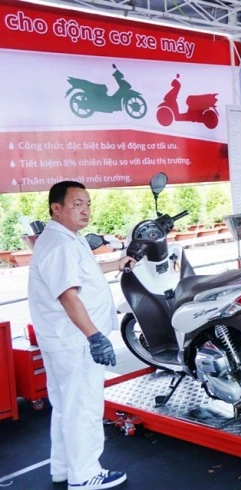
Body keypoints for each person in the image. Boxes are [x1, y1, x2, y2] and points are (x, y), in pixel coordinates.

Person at [27, 181, 134, 490]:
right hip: (75, 341)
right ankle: (85, 475)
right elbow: (68, 295)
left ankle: (64, 469)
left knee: (66, 406)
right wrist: (94, 336)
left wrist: (117, 263)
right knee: (83, 407)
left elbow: (81, 275)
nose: (85, 210)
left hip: (63, 339)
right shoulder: (60, 245)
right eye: (77, 204)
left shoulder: (63, 239)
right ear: (56, 208)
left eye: (87, 204)